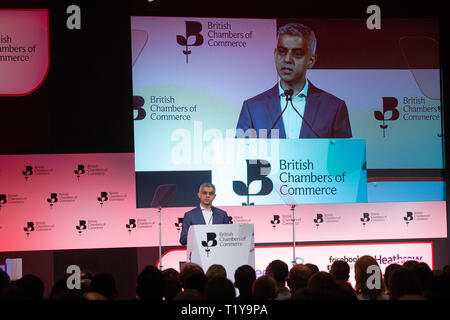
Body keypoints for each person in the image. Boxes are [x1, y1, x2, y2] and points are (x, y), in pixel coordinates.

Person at [236, 22, 352, 139]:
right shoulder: (253, 108)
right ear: (275, 54)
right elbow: (240, 155)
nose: (287, 59)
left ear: (311, 60)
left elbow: (345, 155)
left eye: (297, 54)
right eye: (282, 51)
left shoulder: (333, 108)